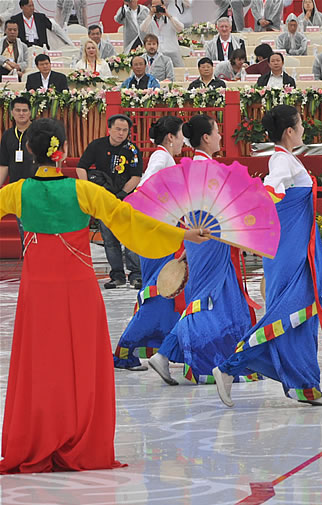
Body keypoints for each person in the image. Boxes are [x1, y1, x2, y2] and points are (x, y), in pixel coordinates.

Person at [0, 117, 208, 474]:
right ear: (63, 152)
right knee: (82, 363)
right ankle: (80, 440)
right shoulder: (85, 192)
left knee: (41, 364)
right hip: (79, 291)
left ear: (32, 152)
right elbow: (132, 220)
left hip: (37, 297)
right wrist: (182, 235)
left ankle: (39, 437)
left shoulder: (17, 192)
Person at [213, 105, 322, 407]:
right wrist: (263, 203)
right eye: (300, 124)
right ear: (289, 131)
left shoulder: (288, 159)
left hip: (296, 249)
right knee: (290, 312)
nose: (304, 128)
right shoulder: (282, 160)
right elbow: (271, 184)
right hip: (290, 253)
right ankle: (230, 366)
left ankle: (307, 386)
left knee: (298, 317)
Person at [149, 114, 257, 386]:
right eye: (217, 131)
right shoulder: (206, 169)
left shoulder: (193, 166)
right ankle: (171, 354)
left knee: (214, 299)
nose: (221, 136)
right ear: (206, 138)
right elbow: (221, 211)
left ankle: (172, 354)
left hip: (201, 239)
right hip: (209, 240)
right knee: (206, 301)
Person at [114, 116, 186, 372]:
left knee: (166, 293)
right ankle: (124, 350)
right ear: (170, 137)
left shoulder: (165, 157)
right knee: (158, 293)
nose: (182, 142)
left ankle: (167, 349)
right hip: (158, 236)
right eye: (180, 136)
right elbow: (144, 189)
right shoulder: (162, 158)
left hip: (162, 234)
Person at [76, 114, 143, 289]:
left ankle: (135, 275)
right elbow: (81, 167)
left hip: (126, 199)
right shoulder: (97, 145)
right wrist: (88, 189)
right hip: (103, 198)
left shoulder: (132, 149)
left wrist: (121, 194)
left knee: (129, 238)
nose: (121, 133)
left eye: (125, 130)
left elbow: (136, 176)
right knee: (109, 238)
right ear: (109, 129)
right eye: (118, 129)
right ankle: (117, 275)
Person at [0, 95, 32, 244]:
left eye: (25, 110)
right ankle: (27, 256)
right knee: (22, 225)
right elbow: (4, 164)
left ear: (30, 112)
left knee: (35, 224)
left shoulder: (38, 133)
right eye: (18, 110)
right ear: (12, 113)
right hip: (16, 187)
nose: (21, 113)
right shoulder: (7, 135)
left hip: (36, 185)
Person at [140, 0, 184, 68]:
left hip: (172, 52)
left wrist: (168, 15)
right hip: (157, 53)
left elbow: (180, 28)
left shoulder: (171, 18)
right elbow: (142, 29)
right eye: (154, 6)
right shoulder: (150, 20)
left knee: (177, 74)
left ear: (163, 5)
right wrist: (150, 15)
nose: (157, 8)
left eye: (159, 5)